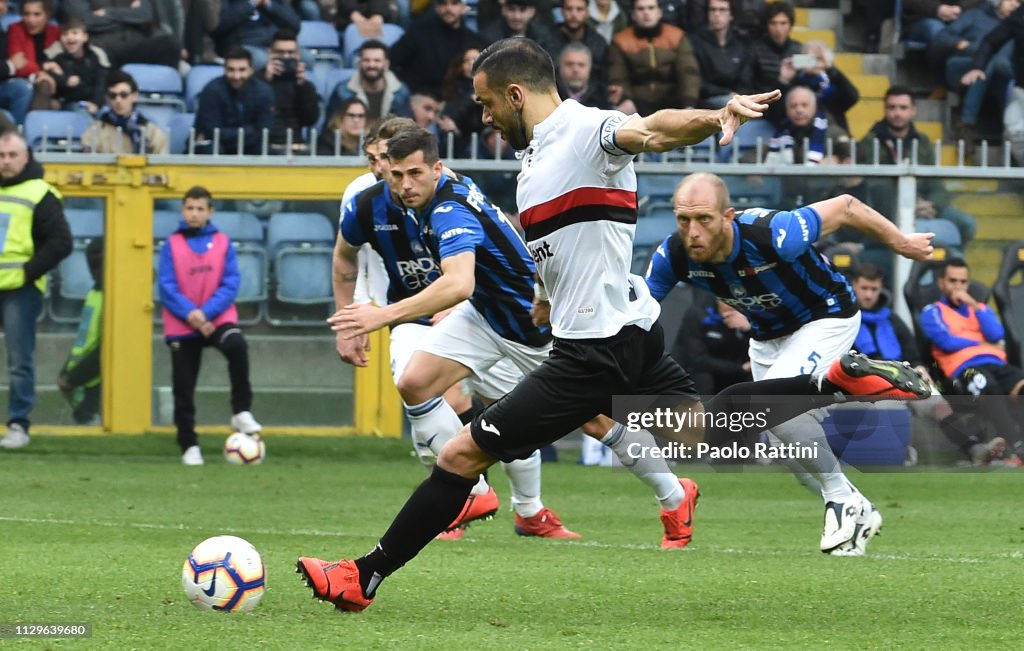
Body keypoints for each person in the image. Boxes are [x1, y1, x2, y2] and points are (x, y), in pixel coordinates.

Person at [295, 38, 932, 612]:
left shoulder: (585, 131)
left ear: (517, 94)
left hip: (592, 350)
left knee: (461, 455)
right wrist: (544, 298)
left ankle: (362, 577)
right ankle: (835, 381)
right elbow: (554, 247)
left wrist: (716, 117)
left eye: (488, 103)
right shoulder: (536, 161)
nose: (483, 117)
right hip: (621, 333)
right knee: (703, 432)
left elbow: (651, 130)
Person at [645, 171, 936, 548]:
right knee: (795, 458)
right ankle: (857, 507)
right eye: (684, 220)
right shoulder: (673, 255)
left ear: (727, 216)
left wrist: (901, 242)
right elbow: (639, 310)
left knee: (772, 406)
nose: (693, 231)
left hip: (826, 316)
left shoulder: (773, 233)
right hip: (769, 338)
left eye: (704, 219)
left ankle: (843, 492)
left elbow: (846, 206)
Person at [335, 120, 588, 541]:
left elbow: (460, 281)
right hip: (446, 316)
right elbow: (345, 257)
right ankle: (466, 495)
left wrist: (382, 315)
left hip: (511, 318)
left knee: (586, 419)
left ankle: (536, 510)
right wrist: (349, 320)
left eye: (409, 171)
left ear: (435, 168)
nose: (399, 180)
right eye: (388, 169)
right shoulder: (369, 202)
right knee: (417, 384)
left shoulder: (447, 203)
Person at [852, 262, 1005, 465]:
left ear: (881, 288)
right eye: (864, 289)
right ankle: (898, 455)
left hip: (900, 378)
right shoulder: (845, 320)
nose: (869, 295)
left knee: (938, 404)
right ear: (853, 286)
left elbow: (912, 352)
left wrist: (919, 367)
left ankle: (974, 449)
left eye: (874, 289)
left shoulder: (891, 319)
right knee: (889, 407)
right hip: (866, 384)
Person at [157, 186, 262, 466]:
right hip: (183, 323)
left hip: (216, 318)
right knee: (183, 386)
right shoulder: (172, 244)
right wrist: (192, 315)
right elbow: (167, 287)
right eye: (190, 208)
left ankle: (241, 410)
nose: (194, 214)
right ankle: (188, 444)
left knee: (237, 345)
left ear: (210, 212)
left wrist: (205, 314)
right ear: (182, 210)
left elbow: (230, 283)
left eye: (200, 209)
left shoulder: (222, 242)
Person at [0, 131, 72, 450]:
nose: (6, 161)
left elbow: (61, 242)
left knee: (19, 359)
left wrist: (27, 273)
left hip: (20, 290)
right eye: (1, 155)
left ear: (26, 156)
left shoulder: (41, 192)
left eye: (13, 155)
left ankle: (18, 424)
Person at [920, 258, 1024, 462]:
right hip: (963, 368)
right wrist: (981, 345)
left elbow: (996, 334)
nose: (958, 287)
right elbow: (947, 342)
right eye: (953, 281)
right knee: (989, 387)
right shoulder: (932, 311)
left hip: (996, 363)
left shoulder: (978, 308)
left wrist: (975, 305)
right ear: (942, 283)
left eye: (963, 282)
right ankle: (1016, 449)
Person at [858, 86, 977, 248]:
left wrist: (932, 205)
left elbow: (936, 183)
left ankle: (950, 264)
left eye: (903, 108)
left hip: (925, 206)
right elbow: (875, 187)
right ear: (885, 109)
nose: (897, 113)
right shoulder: (869, 142)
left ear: (913, 110)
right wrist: (908, 207)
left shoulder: (923, 142)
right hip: (887, 210)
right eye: (892, 107)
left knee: (966, 223)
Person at [607, 0, 702, 113]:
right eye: (641, 9)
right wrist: (625, 99)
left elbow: (688, 72)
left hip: (673, 102)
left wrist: (689, 103)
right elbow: (618, 77)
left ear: (659, 12)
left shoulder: (677, 36)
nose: (646, 13)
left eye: (651, 8)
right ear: (633, 14)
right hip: (637, 102)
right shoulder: (621, 41)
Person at [390, 0, 484, 97]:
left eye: (454, 3)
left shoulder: (473, 40)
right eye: (443, 3)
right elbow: (392, 60)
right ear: (436, 7)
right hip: (417, 98)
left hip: (457, 102)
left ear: (463, 7)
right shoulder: (418, 32)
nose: (448, 8)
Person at [194, 46, 275, 155]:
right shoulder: (211, 90)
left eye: (242, 70)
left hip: (250, 147)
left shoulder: (264, 92)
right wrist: (250, 131)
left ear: (251, 70)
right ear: (224, 70)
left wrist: (227, 134)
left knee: (268, 152)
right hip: (217, 147)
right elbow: (212, 133)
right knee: (212, 149)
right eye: (231, 70)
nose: (236, 76)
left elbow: (264, 132)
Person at [58, 236, 104, 425]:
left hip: (95, 387)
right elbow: (84, 339)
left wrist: (72, 378)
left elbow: (109, 348)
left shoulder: (114, 299)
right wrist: (66, 373)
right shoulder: (95, 294)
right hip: (81, 386)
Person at [63, 0, 181, 68]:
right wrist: (129, 17)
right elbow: (84, 21)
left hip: (136, 41)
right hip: (103, 44)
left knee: (170, 44)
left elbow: (145, 15)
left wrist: (109, 13)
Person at [674, 297, 753, 394]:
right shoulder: (698, 314)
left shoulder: (746, 315)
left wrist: (749, 329)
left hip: (733, 368)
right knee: (704, 380)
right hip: (699, 369)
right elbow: (697, 360)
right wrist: (740, 368)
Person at [259, 29, 321, 153]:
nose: (286, 57)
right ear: (270, 53)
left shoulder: (305, 85)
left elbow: (311, 119)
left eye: (290, 52)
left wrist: (302, 86)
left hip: (296, 144)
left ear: (298, 55)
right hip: (264, 145)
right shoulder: (257, 82)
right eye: (280, 52)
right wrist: (265, 81)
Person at [82, 70, 170, 154]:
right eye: (113, 96)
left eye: (124, 95)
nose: (118, 100)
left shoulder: (152, 132)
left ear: (135, 96)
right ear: (107, 99)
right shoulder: (94, 131)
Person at [328, 40, 411, 128]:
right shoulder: (342, 91)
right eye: (366, 60)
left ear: (386, 64)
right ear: (359, 63)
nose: (371, 65)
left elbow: (406, 129)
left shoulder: (401, 92)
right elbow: (331, 128)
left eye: (377, 60)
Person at [39, 15, 111, 114]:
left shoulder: (95, 56)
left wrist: (95, 103)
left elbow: (101, 82)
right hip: (70, 103)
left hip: (94, 102)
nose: (70, 37)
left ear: (85, 37)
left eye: (75, 33)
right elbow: (50, 77)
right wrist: (65, 79)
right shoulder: (56, 57)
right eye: (65, 34)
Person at [690, 0, 753, 109]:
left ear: (731, 15)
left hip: (737, 98)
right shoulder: (695, 42)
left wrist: (738, 95)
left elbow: (745, 80)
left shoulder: (740, 44)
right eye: (712, 9)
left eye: (722, 10)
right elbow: (697, 82)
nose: (717, 14)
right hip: (707, 100)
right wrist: (728, 93)